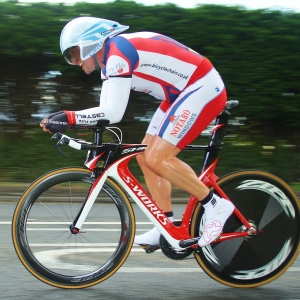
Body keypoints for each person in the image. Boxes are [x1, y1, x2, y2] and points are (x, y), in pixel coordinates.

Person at [40, 16, 234, 249]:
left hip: (201, 87)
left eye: (74, 54)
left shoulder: (118, 53)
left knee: (157, 157)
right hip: (178, 95)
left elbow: (113, 112)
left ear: (90, 43)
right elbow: (104, 114)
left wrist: (69, 117)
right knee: (144, 156)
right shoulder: (109, 64)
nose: (74, 61)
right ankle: (165, 225)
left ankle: (215, 205)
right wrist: (67, 120)